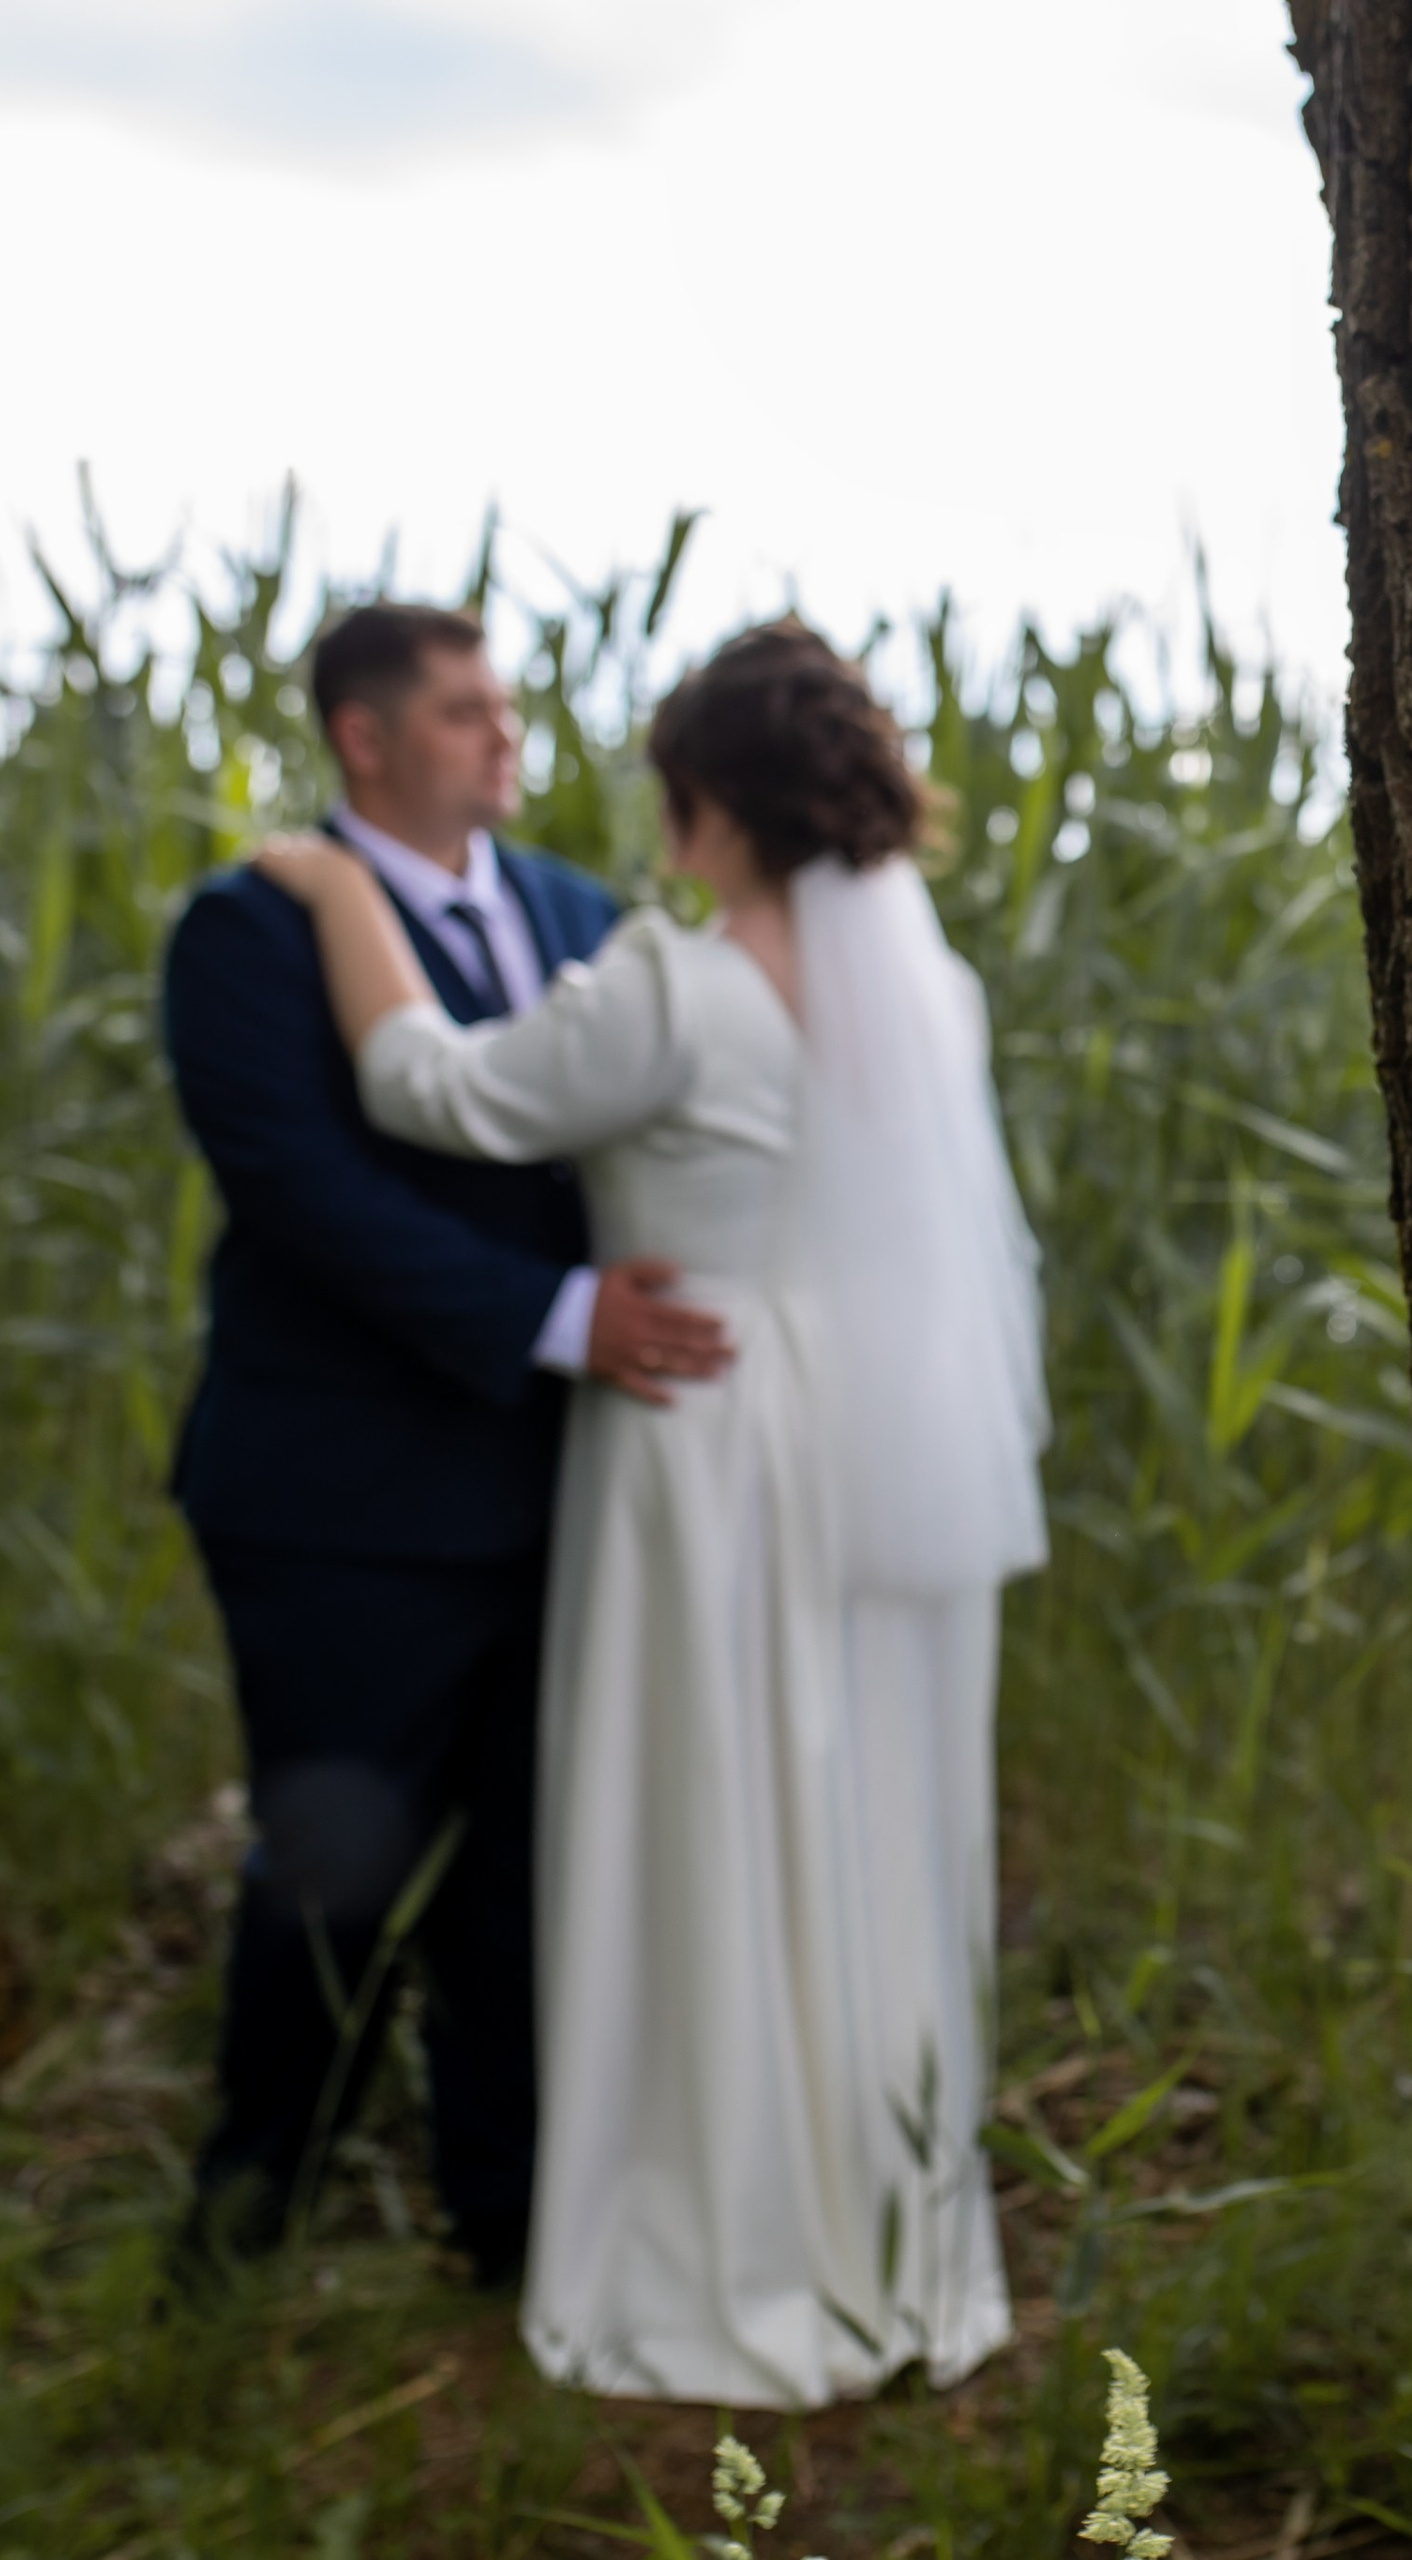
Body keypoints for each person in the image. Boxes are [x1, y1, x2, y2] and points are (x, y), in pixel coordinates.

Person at [249, 620, 1050, 2407]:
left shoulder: (668, 987)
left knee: (711, 1807)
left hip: (706, 1429)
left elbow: (430, 1087)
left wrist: (332, 888)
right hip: (869, 1427)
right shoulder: (926, 991)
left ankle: (723, 2229)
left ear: (712, 799)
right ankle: (882, 2231)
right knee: (850, 1805)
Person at [163, 604, 732, 2285]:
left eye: (504, 704)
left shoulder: (572, 911)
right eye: (465, 710)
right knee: (331, 1869)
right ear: (365, 735)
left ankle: (509, 2222)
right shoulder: (246, 932)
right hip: (341, 1503)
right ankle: (246, 2231)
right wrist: (560, 1316)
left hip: (558, 1481)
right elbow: (305, 1195)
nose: (505, 733)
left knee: (527, 1882)